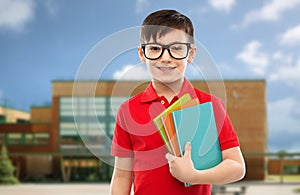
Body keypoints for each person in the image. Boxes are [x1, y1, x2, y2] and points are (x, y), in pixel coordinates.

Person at [110, 9, 245, 195]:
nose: (166, 58)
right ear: (142, 54)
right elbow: (121, 176)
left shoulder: (209, 105)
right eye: (155, 48)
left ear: (190, 54)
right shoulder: (128, 110)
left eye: (176, 48)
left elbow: (237, 166)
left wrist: (194, 176)